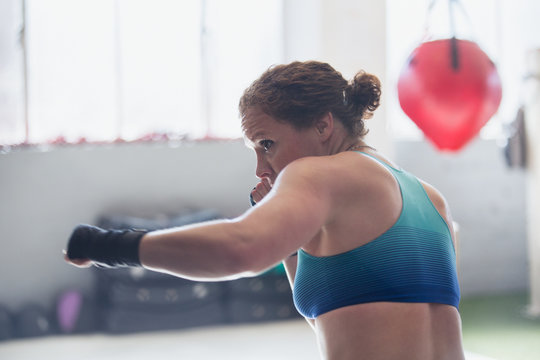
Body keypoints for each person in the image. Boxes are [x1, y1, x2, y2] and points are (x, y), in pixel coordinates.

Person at [65, 61, 465, 360]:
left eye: (267, 144)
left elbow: (240, 249)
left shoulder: (318, 173)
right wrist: (289, 232)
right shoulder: (431, 199)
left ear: (323, 126)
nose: (260, 167)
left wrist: (108, 246)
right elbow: (334, 314)